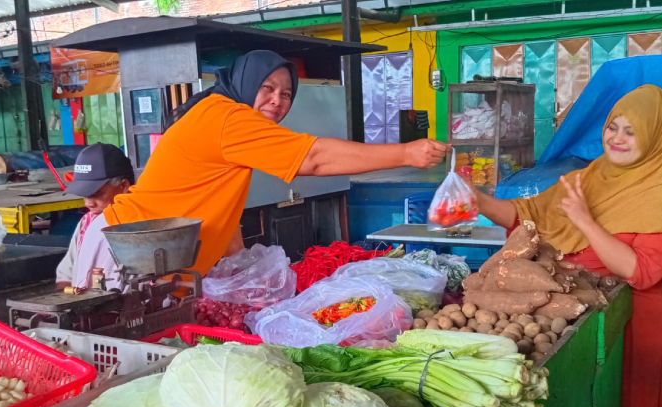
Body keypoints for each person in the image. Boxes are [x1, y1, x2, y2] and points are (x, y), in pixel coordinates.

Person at [476, 85, 662, 407]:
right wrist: (476, 198)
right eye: (613, 127)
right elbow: (527, 217)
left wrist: (585, 220)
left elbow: (643, 271)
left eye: (632, 131)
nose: (616, 138)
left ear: (657, 135)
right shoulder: (588, 177)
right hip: (580, 310)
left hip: (638, 321)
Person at [76, 50, 449, 288]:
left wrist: (240, 274)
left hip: (153, 252)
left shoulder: (222, 117)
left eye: (286, 94)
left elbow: (219, 206)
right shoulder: (227, 117)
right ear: (245, 84)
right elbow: (314, 159)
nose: (277, 100)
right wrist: (405, 153)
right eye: (267, 88)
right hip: (130, 252)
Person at [55, 143, 134, 289]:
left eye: (96, 195)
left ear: (124, 186)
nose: (88, 204)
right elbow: (67, 274)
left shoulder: (139, 225)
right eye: (84, 195)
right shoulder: (88, 222)